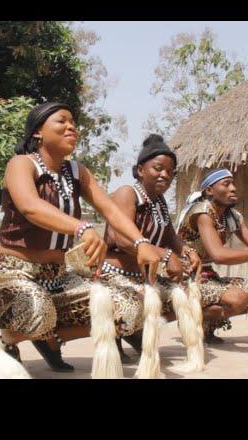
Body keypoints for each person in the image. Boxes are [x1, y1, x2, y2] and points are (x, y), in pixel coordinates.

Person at [0, 102, 162, 372]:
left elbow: (110, 208)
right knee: (38, 313)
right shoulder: (21, 164)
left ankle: (48, 338)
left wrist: (141, 242)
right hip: (13, 273)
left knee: (130, 308)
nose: (71, 127)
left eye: (73, 123)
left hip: (59, 278)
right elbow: (30, 206)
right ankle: (8, 340)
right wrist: (82, 227)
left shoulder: (77, 172)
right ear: (38, 132)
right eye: (61, 121)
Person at [101, 134, 200, 361]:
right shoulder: (127, 193)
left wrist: (186, 250)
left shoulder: (159, 201)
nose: (165, 175)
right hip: (115, 272)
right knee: (141, 303)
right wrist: (165, 256)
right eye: (158, 168)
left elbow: (170, 235)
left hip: (143, 275)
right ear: (139, 170)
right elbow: (124, 240)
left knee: (184, 295)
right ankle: (118, 333)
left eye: (170, 172)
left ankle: (132, 331)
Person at [176, 168, 248, 343]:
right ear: (209, 190)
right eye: (226, 184)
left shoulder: (233, 217)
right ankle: (189, 319)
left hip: (206, 274)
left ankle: (205, 324)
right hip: (183, 274)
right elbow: (219, 255)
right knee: (237, 298)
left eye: (233, 183)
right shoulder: (202, 212)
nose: (233, 188)